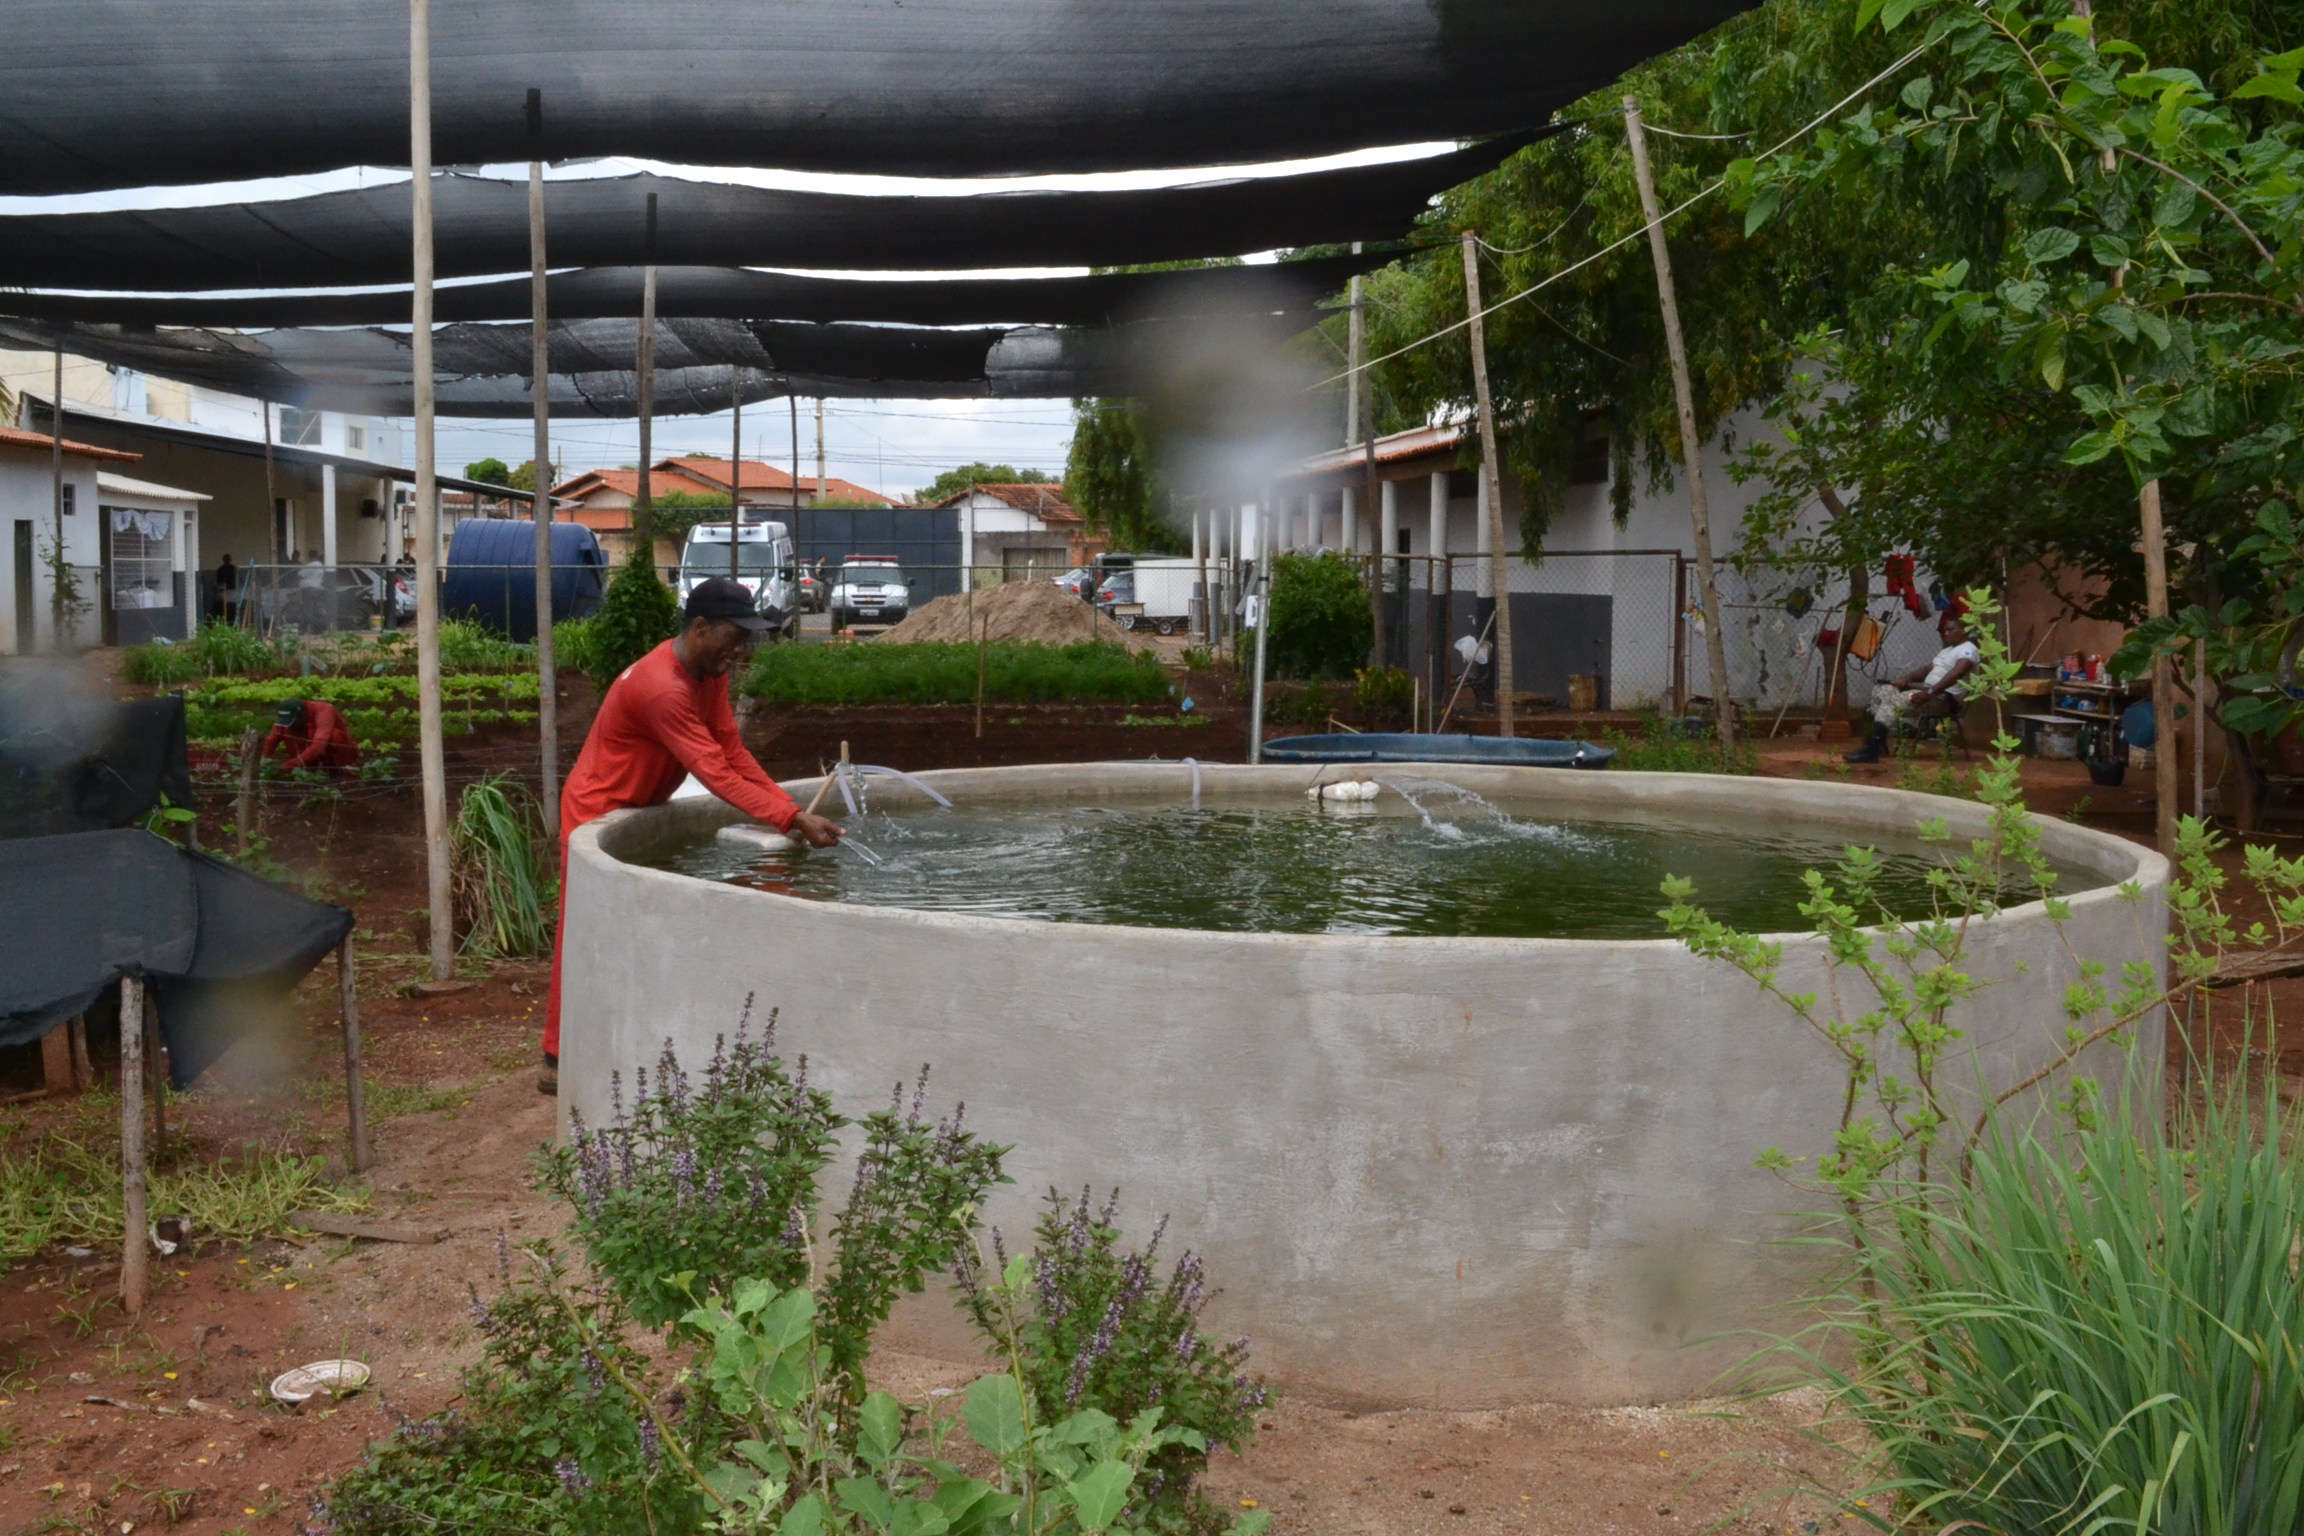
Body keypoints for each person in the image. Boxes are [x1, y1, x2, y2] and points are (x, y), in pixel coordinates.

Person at [541, 577, 844, 1095]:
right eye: (734, 637)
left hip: (641, 807)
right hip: (597, 811)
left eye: (747, 639)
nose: (741, 650)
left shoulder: (709, 673)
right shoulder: (662, 687)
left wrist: (787, 809)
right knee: (586, 930)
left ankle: (630, 1033)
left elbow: (734, 753)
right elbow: (714, 774)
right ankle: (556, 1056)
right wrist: (789, 819)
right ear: (699, 628)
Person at [1844, 612, 1980, 763]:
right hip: (1928, 691)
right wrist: (1907, 679)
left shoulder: (1968, 649)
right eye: (1945, 630)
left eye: (1951, 630)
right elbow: (1927, 670)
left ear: (1964, 631)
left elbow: (1957, 672)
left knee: (1892, 702)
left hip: (1944, 699)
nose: (1946, 633)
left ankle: (1871, 749)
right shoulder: (1947, 651)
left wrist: (1929, 692)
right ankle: (1879, 743)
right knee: (1881, 690)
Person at [262, 698, 360, 774]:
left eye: (293, 722)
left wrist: (290, 765)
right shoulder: (291, 717)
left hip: (331, 755)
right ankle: (305, 769)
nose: (290, 725)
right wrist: (263, 761)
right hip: (309, 755)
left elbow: (319, 746)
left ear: (303, 715)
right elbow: (273, 738)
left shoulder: (324, 710)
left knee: (335, 735)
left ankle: (346, 771)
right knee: (287, 730)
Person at [213, 552, 238, 623]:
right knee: (224, 606)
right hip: (224, 591)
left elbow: (237, 578)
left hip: (232, 590)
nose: (227, 560)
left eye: (228, 559)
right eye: (226, 559)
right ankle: (225, 620)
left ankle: (232, 620)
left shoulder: (233, 568)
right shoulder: (221, 569)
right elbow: (219, 581)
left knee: (232, 606)